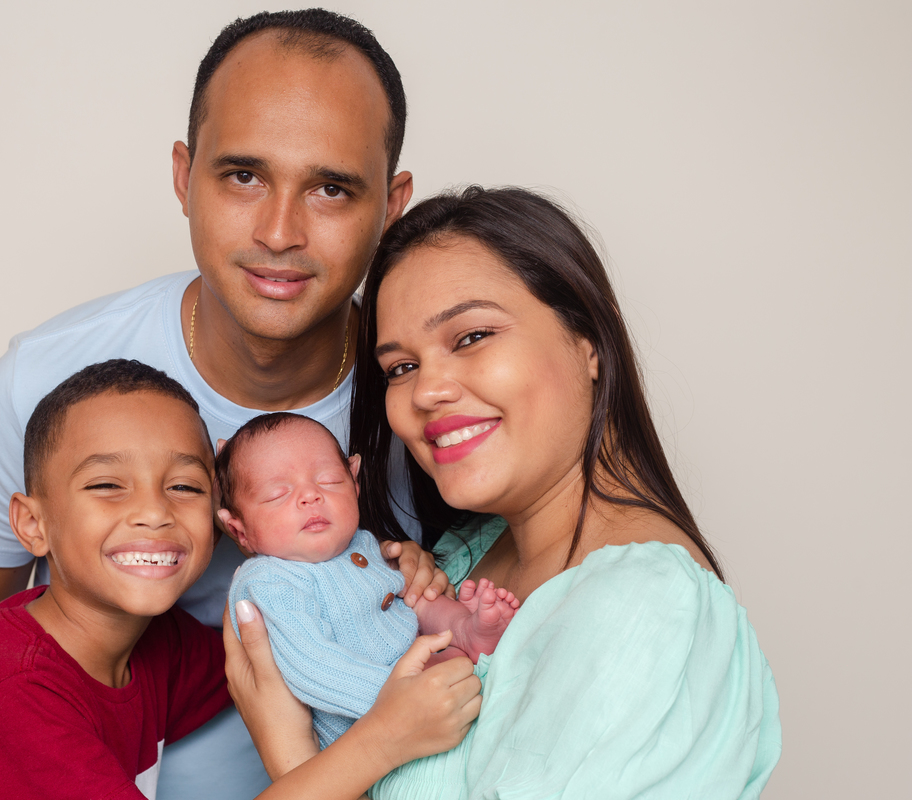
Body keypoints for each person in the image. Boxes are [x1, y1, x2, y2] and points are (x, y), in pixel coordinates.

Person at [0, 9, 421, 798]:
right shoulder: (42, 386)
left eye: (330, 188)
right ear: (184, 176)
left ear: (390, 204)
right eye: (243, 176)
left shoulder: (433, 402)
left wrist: (410, 582)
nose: (280, 231)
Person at [227, 186, 781, 799]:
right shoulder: (466, 551)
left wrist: (291, 754)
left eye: (471, 337)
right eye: (401, 368)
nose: (426, 391)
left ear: (589, 341)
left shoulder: (642, 608)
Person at [0, 359, 482, 800]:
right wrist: (381, 739)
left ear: (220, 520)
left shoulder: (160, 645)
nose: (154, 512)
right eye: (107, 485)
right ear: (33, 525)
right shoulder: (15, 701)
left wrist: (378, 573)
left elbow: (282, 656)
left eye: (184, 487)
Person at [218, 412, 518, 748]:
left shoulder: (362, 544)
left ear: (355, 482)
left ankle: (467, 633)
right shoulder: (267, 581)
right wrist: (400, 698)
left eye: (329, 480)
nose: (310, 496)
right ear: (239, 531)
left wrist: (457, 623)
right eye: (277, 494)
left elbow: (410, 603)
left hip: (425, 679)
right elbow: (313, 666)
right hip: (370, 725)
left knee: (420, 596)